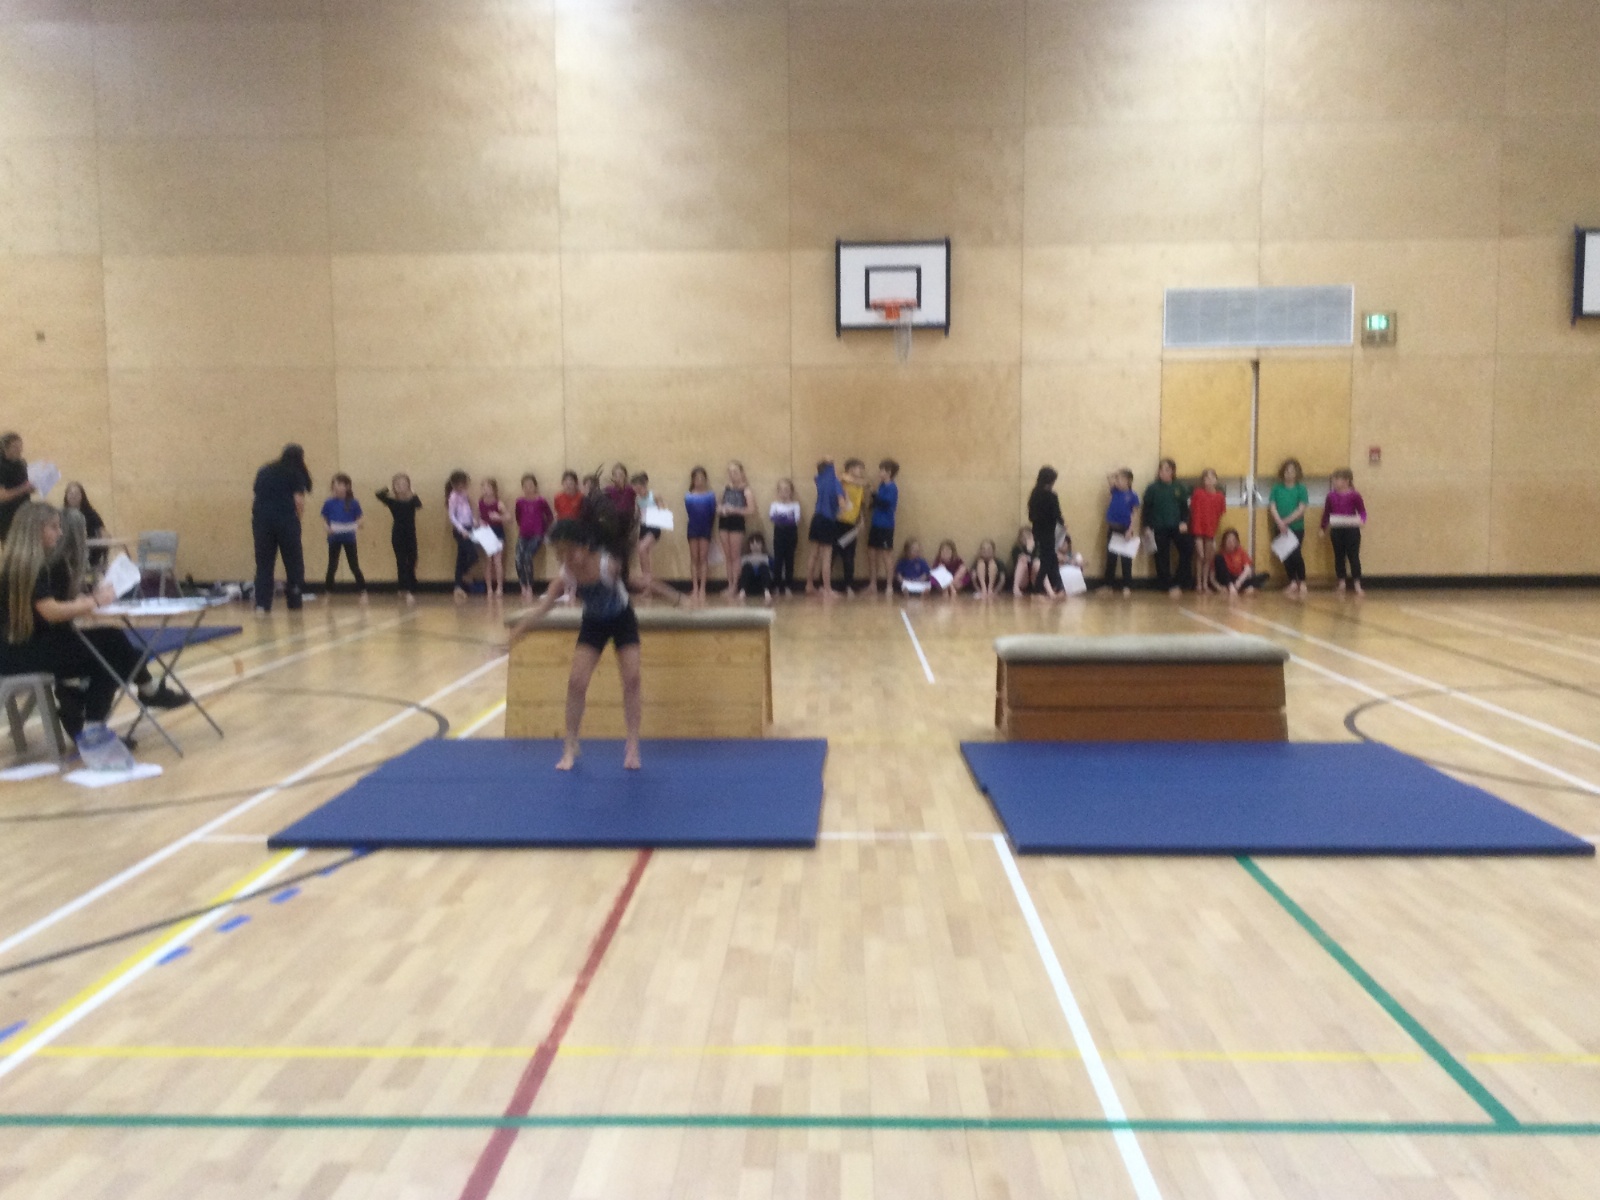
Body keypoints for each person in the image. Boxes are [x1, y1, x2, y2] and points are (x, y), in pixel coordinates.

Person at [504, 503, 683, 771]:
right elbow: (540, 611)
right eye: (560, 554)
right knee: (576, 682)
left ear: (585, 547)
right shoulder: (567, 574)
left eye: (569, 552)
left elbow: (642, 583)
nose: (565, 559)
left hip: (621, 619)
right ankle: (569, 745)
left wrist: (679, 598)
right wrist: (511, 640)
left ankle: (632, 744)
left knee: (632, 679)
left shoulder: (607, 565)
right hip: (594, 623)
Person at [0, 504, 187, 741]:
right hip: (24, 652)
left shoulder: (21, 563)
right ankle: (97, 721)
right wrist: (95, 601)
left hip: (22, 647)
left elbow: (46, 608)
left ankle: (86, 718)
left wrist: (86, 600)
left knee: (111, 642)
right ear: (35, 530)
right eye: (53, 527)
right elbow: (51, 612)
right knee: (111, 653)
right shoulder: (32, 567)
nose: (59, 532)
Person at [252, 443, 311, 614]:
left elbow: (256, 496)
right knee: (293, 563)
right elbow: (298, 501)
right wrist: (297, 521)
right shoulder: (295, 473)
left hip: (262, 522)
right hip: (286, 521)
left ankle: (262, 604)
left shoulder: (264, 470)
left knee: (264, 564)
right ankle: (294, 601)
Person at [1142, 458, 1190, 598]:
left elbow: (1185, 507)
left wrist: (1184, 521)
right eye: (1161, 469)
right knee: (1162, 556)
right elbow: (1147, 508)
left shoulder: (1179, 487)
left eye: (1167, 469)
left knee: (1187, 549)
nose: (1163, 472)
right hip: (1158, 526)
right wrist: (1146, 526)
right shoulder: (1152, 488)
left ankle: (1179, 581)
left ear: (1172, 471)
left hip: (1176, 526)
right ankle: (1166, 584)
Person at [375, 474, 422, 605]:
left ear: (408, 485)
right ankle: (405, 589)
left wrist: (412, 492)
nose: (401, 486)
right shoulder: (392, 501)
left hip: (410, 534)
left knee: (412, 560)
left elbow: (419, 505)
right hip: (398, 535)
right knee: (401, 562)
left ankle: (409, 587)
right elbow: (378, 494)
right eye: (398, 484)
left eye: (404, 484)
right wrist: (389, 488)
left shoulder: (412, 500)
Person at [1321, 468, 1368, 596]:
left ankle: (1357, 584)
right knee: (1339, 557)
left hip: (1351, 530)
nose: (1334, 482)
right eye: (1334, 479)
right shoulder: (1331, 496)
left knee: (1353, 557)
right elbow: (1326, 513)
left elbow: (1362, 511)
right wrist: (1323, 527)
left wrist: (1362, 520)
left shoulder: (1355, 495)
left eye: (1337, 479)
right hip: (1337, 529)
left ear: (1346, 481)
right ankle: (1341, 583)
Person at [320, 474, 367, 601]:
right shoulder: (329, 502)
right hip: (334, 538)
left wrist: (359, 524)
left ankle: (363, 591)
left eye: (341, 484)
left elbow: (360, 519)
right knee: (332, 566)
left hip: (349, 538)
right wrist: (327, 528)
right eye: (335, 484)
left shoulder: (353, 502)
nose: (337, 487)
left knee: (354, 565)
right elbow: (325, 520)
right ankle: (328, 592)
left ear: (347, 486)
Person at [804, 457, 844, 599]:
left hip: (816, 519)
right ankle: (827, 589)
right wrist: (844, 507)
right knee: (826, 557)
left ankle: (809, 585)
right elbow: (842, 503)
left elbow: (818, 474)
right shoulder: (835, 482)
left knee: (813, 554)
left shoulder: (819, 479)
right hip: (828, 520)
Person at [1269, 458, 1310, 598]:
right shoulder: (1276, 488)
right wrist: (1279, 522)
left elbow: (1301, 509)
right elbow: (1272, 506)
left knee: (1296, 554)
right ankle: (1292, 581)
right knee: (1285, 555)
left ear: (1297, 473)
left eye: (1292, 471)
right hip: (1280, 527)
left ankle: (1302, 581)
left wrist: (1286, 521)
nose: (1289, 473)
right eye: (1287, 471)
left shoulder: (1301, 488)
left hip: (1296, 527)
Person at [512, 474, 555, 602]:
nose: (528, 488)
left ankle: (530, 587)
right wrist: (522, 527)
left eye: (530, 485)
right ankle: (523, 586)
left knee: (527, 557)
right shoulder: (519, 502)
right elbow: (518, 517)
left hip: (537, 535)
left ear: (535, 486)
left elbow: (549, 516)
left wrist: (545, 532)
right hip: (523, 535)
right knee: (518, 558)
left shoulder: (541, 501)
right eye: (525, 486)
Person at [1027, 467, 1066, 601]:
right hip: (1049, 532)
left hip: (1037, 531)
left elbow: (1031, 516)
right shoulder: (1051, 496)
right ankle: (1037, 589)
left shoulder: (1034, 494)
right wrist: (1063, 524)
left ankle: (1058, 587)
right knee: (1047, 560)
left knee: (1051, 559)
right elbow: (1057, 514)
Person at [717, 461, 754, 599]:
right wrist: (721, 509)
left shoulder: (746, 490)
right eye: (730, 472)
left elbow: (751, 510)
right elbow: (718, 505)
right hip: (724, 522)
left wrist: (734, 510)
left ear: (741, 473)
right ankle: (730, 584)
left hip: (737, 522)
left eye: (735, 472)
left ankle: (736, 586)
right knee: (727, 556)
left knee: (735, 556)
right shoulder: (725, 488)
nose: (733, 475)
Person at [1189, 468, 1226, 595]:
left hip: (1210, 530)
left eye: (1212, 478)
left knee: (1208, 558)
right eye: (1207, 478)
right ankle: (1198, 583)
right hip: (1198, 529)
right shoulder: (1198, 493)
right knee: (1200, 556)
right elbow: (1193, 510)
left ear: (1216, 480)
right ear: (1203, 481)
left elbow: (1219, 514)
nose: (1209, 481)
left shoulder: (1220, 496)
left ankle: (1205, 583)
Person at [1102, 469, 1139, 596]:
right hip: (1113, 528)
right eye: (1116, 479)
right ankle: (1108, 585)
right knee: (1111, 558)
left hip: (1125, 529)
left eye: (1120, 479)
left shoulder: (1133, 495)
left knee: (1126, 559)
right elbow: (1109, 477)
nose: (1117, 481)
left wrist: (1130, 529)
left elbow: (1134, 514)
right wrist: (1115, 474)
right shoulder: (1115, 491)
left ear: (1128, 481)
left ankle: (1127, 585)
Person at [684, 466, 717, 603]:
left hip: (705, 528)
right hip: (693, 528)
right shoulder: (688, 496)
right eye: (696, 478)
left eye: (702, 478)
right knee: (694, 558)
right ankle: (695, 587)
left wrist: (709, 528)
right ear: (693, 480)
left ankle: (703, 588)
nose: (699, 481)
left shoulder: (710, 496)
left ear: (705, 479)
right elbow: (689, 512)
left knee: (703, 558)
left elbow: (712, 513)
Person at [835, 459, 868, 594]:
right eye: (858, 468)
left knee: (849, 555)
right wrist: (850, 478)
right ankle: (824, 585)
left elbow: (860, 504)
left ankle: (848, 585)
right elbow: (840, 477)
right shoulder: (842, 480)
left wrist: (862, 519)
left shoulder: (860, 485)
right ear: (850, 469)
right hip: (839, 521)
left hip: (851, 524)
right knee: (832, 553)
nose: (861, 471)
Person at [868, 459, 899, 595]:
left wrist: (874, 494)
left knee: (886, 555)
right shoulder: (881, 486)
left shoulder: (892, 487)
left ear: (889, 472)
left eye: (882, 470)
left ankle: (889, 586)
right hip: (875, 523)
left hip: (886, 525)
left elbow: (886, 503)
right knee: (871, 553)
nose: (879, 472)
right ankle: (872, 585)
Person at [446, 470, 477, 602]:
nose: (462, 487)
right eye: (459, 485)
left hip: (469, 527)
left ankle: (458, 586)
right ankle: (463, 575)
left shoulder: (464, 494)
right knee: (472, 555)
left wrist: (473, 521)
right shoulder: (453, 497)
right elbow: (452, 516)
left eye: (464, 484)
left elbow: (467, 510)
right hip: (460, 530)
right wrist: (462, 530)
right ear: (454, 485)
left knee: (461, 557)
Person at [61, 482, 106, 569]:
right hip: (68, 554)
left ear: (82, 496)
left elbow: (103, 534)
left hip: (89, 553)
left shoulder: (91, 514)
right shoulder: (61, 514)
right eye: (70, 493)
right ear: (66, 496)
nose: (73, 496)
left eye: (76, 494)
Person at [0, 432, 35, 543]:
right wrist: (24, 489)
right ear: (5, 448)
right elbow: (2, 496)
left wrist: (33, 486)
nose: (19, 450)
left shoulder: (21, 463)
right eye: (15, 447)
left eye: (20, 446)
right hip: (8, 516)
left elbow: (26, 485)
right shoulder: (2, 466)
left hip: (24, 513)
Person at [768, 478, 801, 595]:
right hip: (779, 534)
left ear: (791, 491)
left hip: (791, 534)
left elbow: (796, 520)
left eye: (786, 490)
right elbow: (772, 517)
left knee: (789, 560)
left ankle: (788, 585)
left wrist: (781, 518)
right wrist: (786, 517)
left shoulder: (795, 505)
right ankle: (777, 585)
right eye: (781, 490)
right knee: (778, 560)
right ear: (778, 492)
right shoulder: (775, 504)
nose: (784, 492)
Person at [1214, 528, 1267, 596]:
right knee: (1219, 561)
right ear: (1224, 542)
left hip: (1238, 579)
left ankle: (1240, 587)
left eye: (1233, 540)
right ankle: (1231, 586)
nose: (1231, 543)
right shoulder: (1220, 555)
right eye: (1229, 540)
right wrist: (1219, 587)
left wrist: (1238, 583)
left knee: (1262, 577)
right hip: (1226, 580)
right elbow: (1212, 576)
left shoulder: (1240, 552)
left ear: (1237, 542)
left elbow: (1247, 569)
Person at [478, 478, 507, 598]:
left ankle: (499, 587)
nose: (485, 490)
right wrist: (479, 522)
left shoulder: (498, 503)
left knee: (497, 561)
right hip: (486, 533)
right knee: (488, 561)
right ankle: (489, 588)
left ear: (494, 490)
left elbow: (508, 517)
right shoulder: (480, 503)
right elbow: (479, 517)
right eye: (483, 488)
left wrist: (499, 517)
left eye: (488, 488)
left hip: (497, 532)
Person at [631, 473, 659, 586]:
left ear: (642, 485)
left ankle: (647, 578)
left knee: (642, 549)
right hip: (644, 527)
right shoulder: (637, 499)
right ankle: (648, 586)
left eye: (637, 487)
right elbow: (637, 515)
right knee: (644, 554)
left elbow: (664, 512)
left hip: (654, 527)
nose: (635, 490)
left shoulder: (654, 496)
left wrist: (652, 515)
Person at [736, 532, 775, 602]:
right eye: (752, 543)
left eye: (758, 542)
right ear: (749, 545)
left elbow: (773, 573)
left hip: (762, 586)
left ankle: (767, 592)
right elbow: (739, 573)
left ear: (762, 545)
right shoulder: (744, 558)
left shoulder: (767, 558)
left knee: (763, 566)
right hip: (748, 586)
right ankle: (742, 592)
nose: (755, 545)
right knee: (747, 566)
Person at [1009, 527, 1039, 596]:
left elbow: (1037, 561)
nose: (1026, 540)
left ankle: (1048, 591)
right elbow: (1018, 563)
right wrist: (1028, 550)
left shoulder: (1037, 547)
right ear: (1019, 538)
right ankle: (1015, 587)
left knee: (1037, 562)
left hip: (1034, 577)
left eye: (1028, 537)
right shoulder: (1016, 549)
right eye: (1023, 537)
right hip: (1023, 579)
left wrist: (1031, 550)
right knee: (1022, 559)